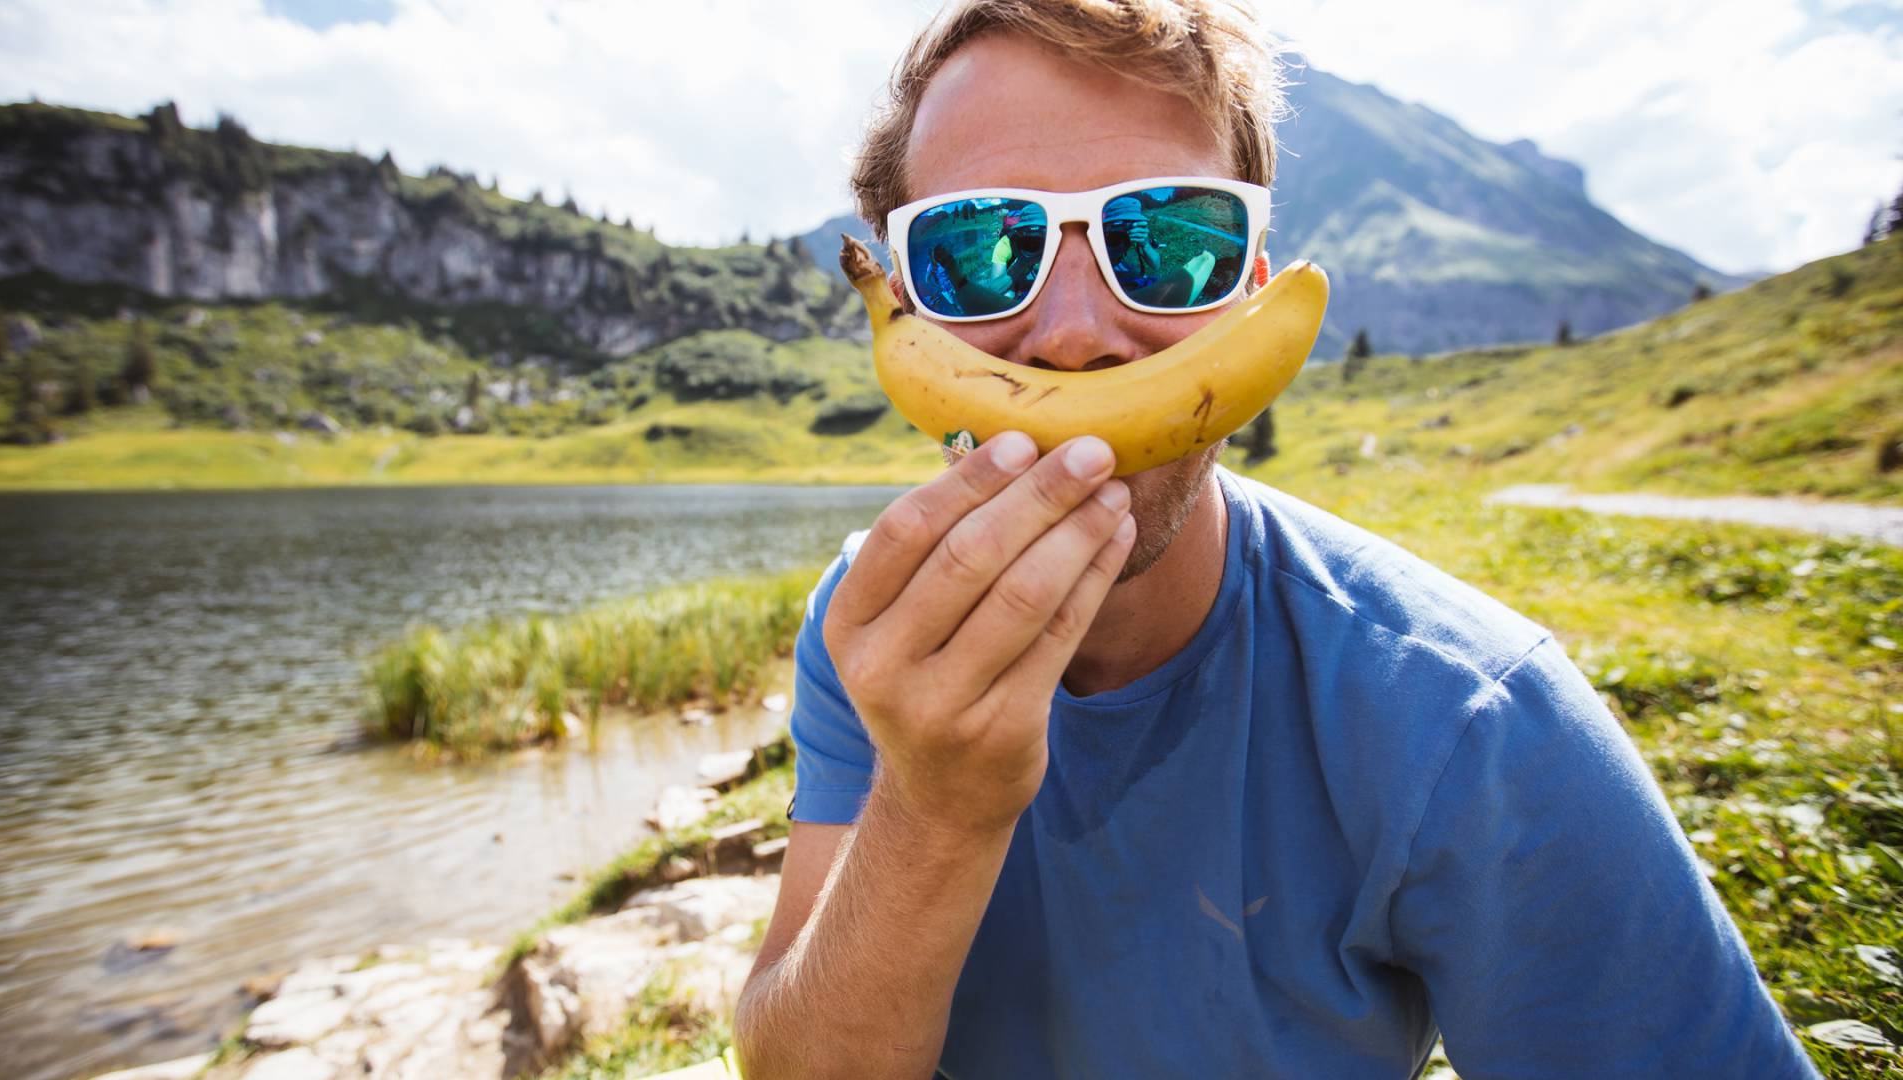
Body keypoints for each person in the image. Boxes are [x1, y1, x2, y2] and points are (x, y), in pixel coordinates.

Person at [733, 2, 1821, 1077]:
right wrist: (931, 807)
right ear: (908, 308)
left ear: (1252, 294)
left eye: (1169, 243)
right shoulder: (868, 630)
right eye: (981, 249)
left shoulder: (1469, 719)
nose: (1074, 335)